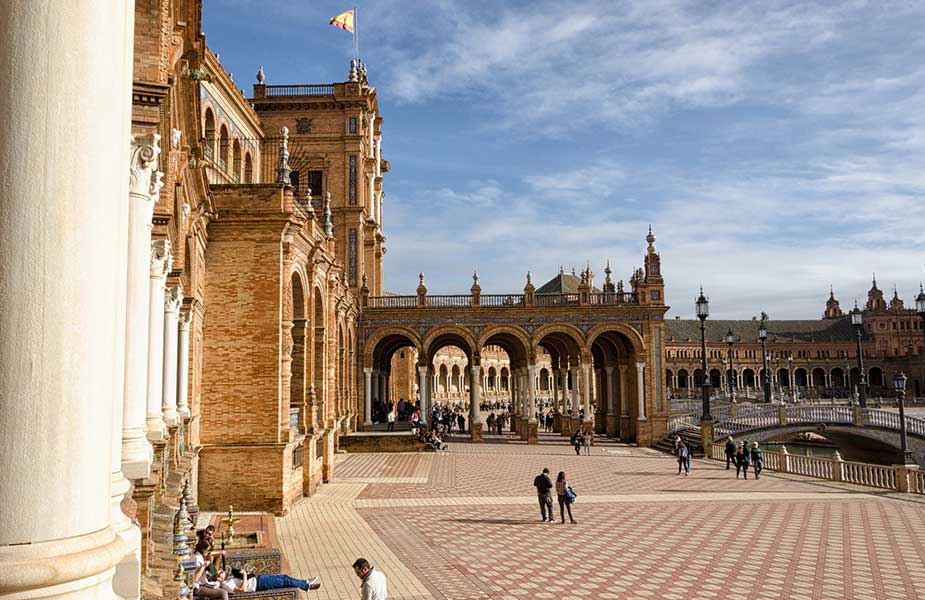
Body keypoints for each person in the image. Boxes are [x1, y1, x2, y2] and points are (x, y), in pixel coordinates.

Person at [221, 568, 320, 593]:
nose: (222, 572)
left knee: (285, 577)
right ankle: (307, 586)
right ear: (219, 579)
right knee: (284, 581)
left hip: (259, 579)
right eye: (219, 574)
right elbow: (242, 590)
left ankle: (305, 582)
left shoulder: (227, 580)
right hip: (259, 584)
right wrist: (245, 575)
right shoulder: (227, 585)